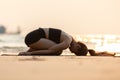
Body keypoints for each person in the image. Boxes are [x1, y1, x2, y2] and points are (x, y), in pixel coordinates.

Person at [19, 27, 88, 56]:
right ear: (78, 46)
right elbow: (50, 50)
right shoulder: (67, 42)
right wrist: (31, 54)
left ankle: (26, 53)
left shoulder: (69, 37)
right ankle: (29, 53)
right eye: (73, 51)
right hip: (33, 38)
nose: (71, 51)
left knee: (58, 50)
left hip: (32, 37)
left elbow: (47, 43)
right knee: (57, 51)